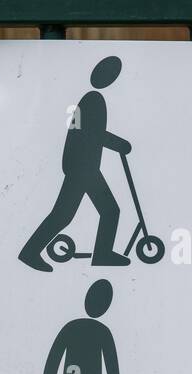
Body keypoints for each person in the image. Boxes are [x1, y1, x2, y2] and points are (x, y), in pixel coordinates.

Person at [19, 55, 132, 272]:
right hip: (83, 168)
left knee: (108, 210)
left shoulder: (89, 100)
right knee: (66, 215)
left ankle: (102, 254)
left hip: (84, 167)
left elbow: (84, 132)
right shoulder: (93, 100)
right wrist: (120, 144)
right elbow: (91, 133)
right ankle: (30, 252)